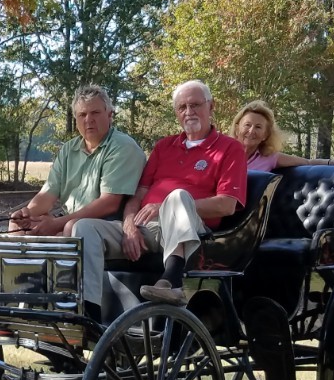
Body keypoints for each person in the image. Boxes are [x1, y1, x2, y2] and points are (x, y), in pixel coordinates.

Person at [73, 80, 248, 311]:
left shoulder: (230, 148)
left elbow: (226, 205)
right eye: (182, 107)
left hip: (195, 232)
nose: (189, 112)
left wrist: (166, 207)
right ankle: (89, 312)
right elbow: (138, 194)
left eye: (195, 105)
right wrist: (128, 226)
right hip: (148, 228)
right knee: (84, 227)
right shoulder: (164, 147)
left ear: (211, 106)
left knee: (177, 197)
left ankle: (171, 280)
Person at [8, 84, 145, 237]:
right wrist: (27, 214)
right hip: (70, 221)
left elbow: (109, 204)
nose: (89, 120)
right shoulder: (68, 149)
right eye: (82, 114)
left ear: (109, 115)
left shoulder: (122, 147)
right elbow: (48, 193)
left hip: (110, 225)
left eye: (95, 113)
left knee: (73, 228)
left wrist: (57, 224)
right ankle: (16, 261)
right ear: (76, 118)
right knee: (17, 225)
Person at [231, 100, 334, 171]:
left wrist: (332, 162)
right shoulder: (223, 152)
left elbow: (307, 162)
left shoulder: (270, 158)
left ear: (265, 135)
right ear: (237, 129)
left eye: (258, 127)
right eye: (247, 125)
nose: (251, 131)